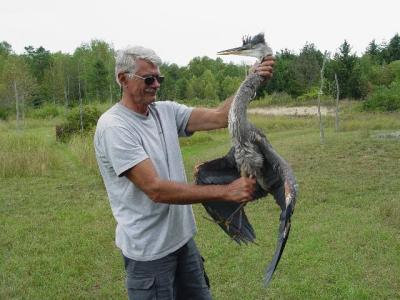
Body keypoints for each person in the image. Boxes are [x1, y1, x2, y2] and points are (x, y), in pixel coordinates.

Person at [94, 45, 274, 300]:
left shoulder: (164, 111)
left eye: (159, 78)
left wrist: (251, 80)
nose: (156, 84)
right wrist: (225, 191)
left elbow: (220, 117)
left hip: (183, 243)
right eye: (148, 78)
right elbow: (155, 189)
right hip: (150, 256)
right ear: (123, 79)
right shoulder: (115, 127)